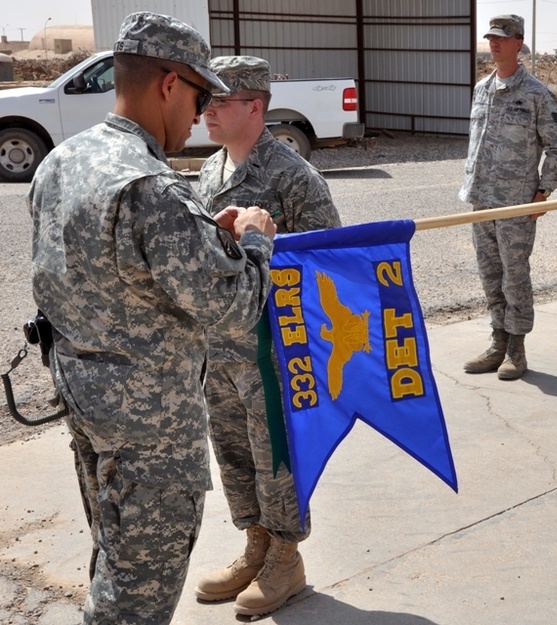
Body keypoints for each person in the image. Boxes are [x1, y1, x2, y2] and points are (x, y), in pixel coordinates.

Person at [29, 12, 277, 625]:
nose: (198, 116)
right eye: (198, 96)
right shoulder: (150, 186)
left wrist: (199, 243)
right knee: (136, 600)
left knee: (114, 564)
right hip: (152, 433)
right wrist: (252, 243)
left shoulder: (63, 161)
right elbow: (235, 311)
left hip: (88, 404)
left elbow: (112, 273)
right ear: (169, 84)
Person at [193, 56, 342, 617]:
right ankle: (254, 544)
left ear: (254, 107)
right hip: (220, 344)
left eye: (219, 101)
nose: (206, 110)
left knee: (273, 449)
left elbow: (329, 260)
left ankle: (286, 555)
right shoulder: (209, 170)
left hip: (273, 347)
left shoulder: (292, 174)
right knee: (233, 450)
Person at [460, 14, 557, 380]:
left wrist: (543, 194)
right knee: (490, 274)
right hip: (482, 201)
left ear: (519, 43)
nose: (495, 43)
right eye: (491, 37)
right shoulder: (481, 89)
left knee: (515, 276)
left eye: (502, 38)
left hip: (517, 203)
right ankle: (497, 341)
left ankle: (516, 349)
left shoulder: (538, 94)